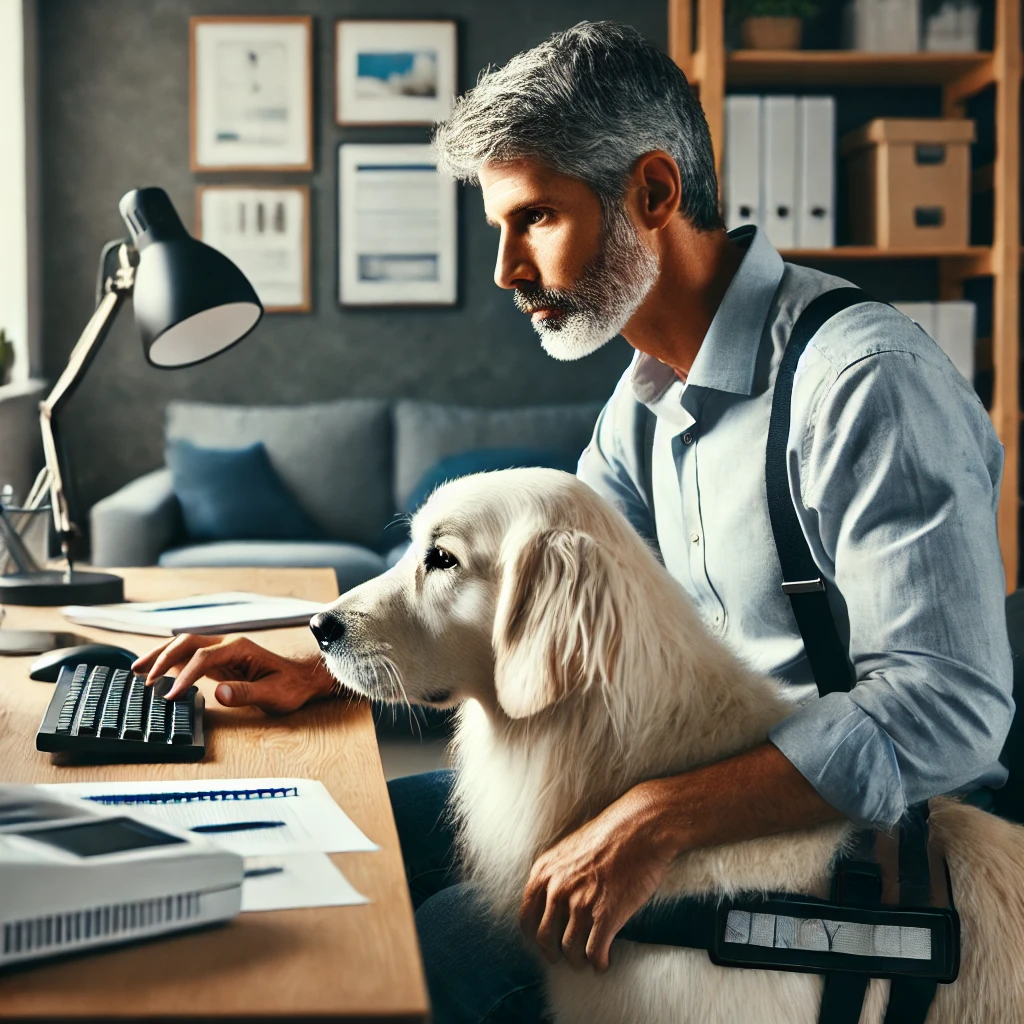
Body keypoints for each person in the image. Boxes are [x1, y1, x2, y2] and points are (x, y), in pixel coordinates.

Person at [134, 21, 1014, 1024]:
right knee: (341, 841)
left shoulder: (862, 382)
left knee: (431, 962)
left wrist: (655, 819)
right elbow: (536, 619)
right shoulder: (640, 404)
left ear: (651, 193)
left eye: (536, 218)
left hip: (857, 854)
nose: (507, 268)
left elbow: (950, 708)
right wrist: (331, 666)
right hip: (682, 799)